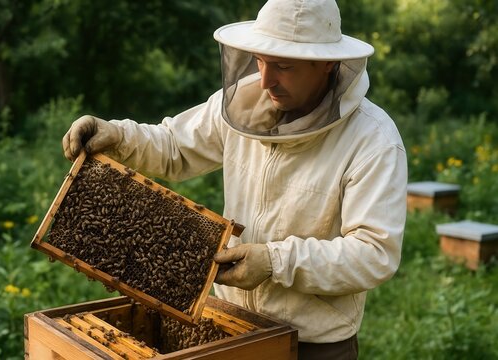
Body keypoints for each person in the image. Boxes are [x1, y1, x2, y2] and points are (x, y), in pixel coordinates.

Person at [62, 0, 407, 358]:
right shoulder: (243, 102)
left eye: (283, 66)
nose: (266, 79)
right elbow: (175, 146)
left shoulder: (373, 139)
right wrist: (117, 135)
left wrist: (275, 261)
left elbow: (374, 252)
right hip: (227, 325)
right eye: (260, 60)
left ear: (327, 64)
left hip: (312, 344)